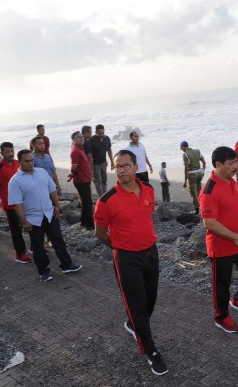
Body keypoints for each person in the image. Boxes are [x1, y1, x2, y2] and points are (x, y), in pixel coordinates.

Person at [94, 150, 168, 376]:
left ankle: (133, 323)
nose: (122, 170)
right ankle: (150, 350)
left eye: (126, 165)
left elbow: (146, 216)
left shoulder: (148, 189)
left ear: (136, 167)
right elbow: (100, 233)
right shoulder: (106, 201)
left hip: (150, 252)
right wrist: (119, 247)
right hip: (126, 258)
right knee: (137, 303)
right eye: (118, 167)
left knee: (151, 298)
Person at [199, 146, 238, 334]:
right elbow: (209, 223)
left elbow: (237, 177)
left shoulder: (231, 179)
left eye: (236, 162)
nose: (235, 167)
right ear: (218, 165)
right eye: (231, 164)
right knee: (222, 287)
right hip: (221, 247)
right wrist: (235, 237)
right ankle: (221, 317)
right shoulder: (209, 190)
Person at [8, 150, 82, 281]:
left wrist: (57, 206)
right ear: (19, 162)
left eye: (32, 160)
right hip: (33, 218)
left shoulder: (41, 172)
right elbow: (17, 204)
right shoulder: (15, 181)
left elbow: (52, 189)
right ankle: (44, 271)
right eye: (27, 161)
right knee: (38, 247)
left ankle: (67, 264)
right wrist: (24, 222)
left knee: (58, 240)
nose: (30, 163)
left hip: (49, 213)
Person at [0, 142, 31, 264]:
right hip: (11, 204)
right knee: (16, 230)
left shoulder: (17, 163)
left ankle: (34, 246)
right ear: (1, 153)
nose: (10, 153)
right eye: (7, 151)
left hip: (25, 201)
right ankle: (20, 254)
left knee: (32, 224)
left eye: (12, 151)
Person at [69, 131, 94, 230]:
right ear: (73, 140)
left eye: (82, 137)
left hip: (85, 178)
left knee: (85, 202)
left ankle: (84, 222)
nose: (81, 138)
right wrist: (73, 174)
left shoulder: (80, 148)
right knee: (87, 202)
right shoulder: (75, 151)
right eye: (78, 137)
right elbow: (74, 167)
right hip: (81, 180)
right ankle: (90, 224)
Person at [180, 141, 206, 214]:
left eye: (181, 148)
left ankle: (197, 210)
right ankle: (203, 206)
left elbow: (186, 168)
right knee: (199, 191)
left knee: (193, 193)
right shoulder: (197, 151)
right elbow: (204, 162)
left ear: (183, 147)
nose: (181, 149)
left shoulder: (185, 154)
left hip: (192, 175)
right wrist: (203, 171)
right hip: (199, 173)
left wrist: (185, 181)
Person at [90, 124, 114, 196]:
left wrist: (112, 161)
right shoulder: (92, 140)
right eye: (100, 133)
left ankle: (105, 195)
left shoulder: (107, 139)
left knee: (104, 181)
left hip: (103, 163)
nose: (101, 134)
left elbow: (109, 150)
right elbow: (89, 154)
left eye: (103, 133)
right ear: (96, 132)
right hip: (95, 164)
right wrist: (91, 167)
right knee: (98, 181)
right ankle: (101, 196)